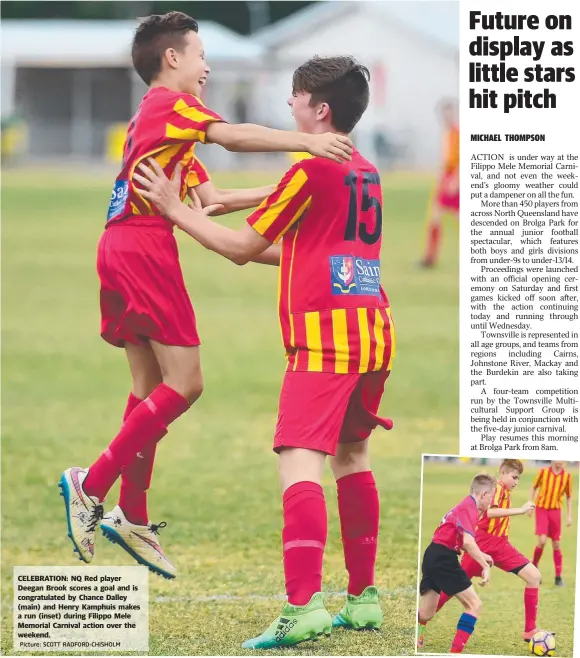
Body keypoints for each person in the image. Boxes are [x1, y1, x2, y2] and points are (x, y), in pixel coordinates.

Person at [58, 11, 353, 580]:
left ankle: (132, 514)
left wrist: (292, 184)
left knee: (148, 388)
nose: (206, 67)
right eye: (199, 55)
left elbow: (212, 200)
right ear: (172, 59)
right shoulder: (173, 107)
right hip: (143, 248)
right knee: (186, 384)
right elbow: (233, 137)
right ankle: (90, 484)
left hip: (122, 246)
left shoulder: (160, 123)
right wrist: (305, 145)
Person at [135, 54, 396, 649]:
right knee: (353, 458)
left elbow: (242, 247)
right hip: (374, 332)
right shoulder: (365, 169)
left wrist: (175, 209)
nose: (289, 105)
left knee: (298, 463)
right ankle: (363, 600)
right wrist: (222, 203)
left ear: (318, 109)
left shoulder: (310, 171)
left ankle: (302, 607)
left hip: (325, 342)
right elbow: (313, 251)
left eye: (296, 96)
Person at [427, 460, 544, 643]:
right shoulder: (495, 488)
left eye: (518, 478)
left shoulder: (506, 491)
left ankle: (530, 630)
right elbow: (489, 513)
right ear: (502, 473)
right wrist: (520, 510)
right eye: (514, 477)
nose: (516, 482)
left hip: (502, 545)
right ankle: (422, 623)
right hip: (482, 545)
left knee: (534, 576)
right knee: (450, 588)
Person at [417, 474, 495, 654]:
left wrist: (482, 555)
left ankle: (416, 635)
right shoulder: (471, 508)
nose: (490, 502)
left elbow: (460, 541)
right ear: (483, 494)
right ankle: (455, 652)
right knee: (474, 605)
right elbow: (468, 542)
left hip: (433, 555)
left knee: (427, 613)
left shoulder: (464, 505)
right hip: (444, 558)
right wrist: (484, 565)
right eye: (491, 497)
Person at [420, 99, 459, 268]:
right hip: (446, 179)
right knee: (435, 217)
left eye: (449, 112)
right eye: (444, 113)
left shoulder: (457, 133)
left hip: (454, 181)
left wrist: (456, 180)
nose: (446, 116)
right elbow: (446, 160)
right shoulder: (446, 133)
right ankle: (430, 257)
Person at [530, 461, 573, 586]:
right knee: (542, 541)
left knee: (556, 544)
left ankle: (558, 577)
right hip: (542, 509)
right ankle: (534, 567)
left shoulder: (567, 476)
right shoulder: (543, 472)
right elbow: (534, 487)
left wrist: (569, 516)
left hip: (555, 511)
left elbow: (569, 497)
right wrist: (530, 502)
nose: (560, 463)